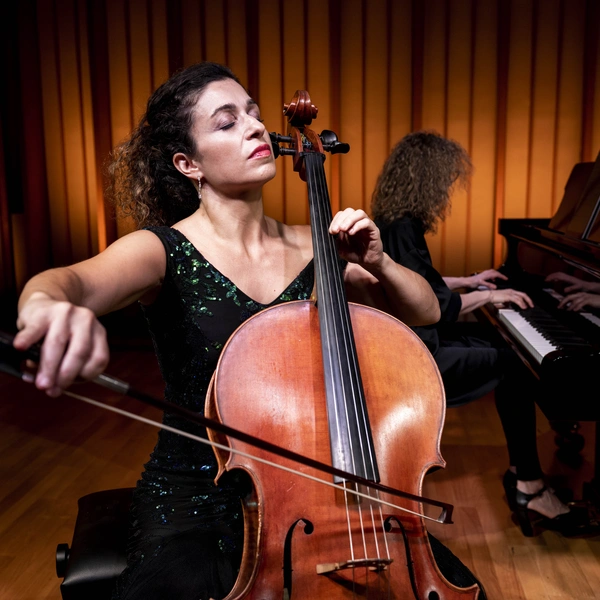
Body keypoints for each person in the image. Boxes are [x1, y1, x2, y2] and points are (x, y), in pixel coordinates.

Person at [11, 63, 462, 599]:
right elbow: (68, 283)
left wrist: (381, 262)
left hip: (320, 495)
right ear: (188, 164)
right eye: (226, 122)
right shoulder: (162, 250)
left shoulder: (317, 244)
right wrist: (46, 307)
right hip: (195, 500)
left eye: (253, 113)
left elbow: (427, 311)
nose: (254, 127)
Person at [371, 130, 598, 538]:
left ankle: (523, 473)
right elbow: (436, 309)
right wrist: (493, 296)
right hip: (418, 355)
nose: (446, 189)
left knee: (501, 345)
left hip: (408, 342)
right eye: (444, 180)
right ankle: (528, 483)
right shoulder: (404, 227)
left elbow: (420, 282)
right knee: (516, 362)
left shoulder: (394, 221)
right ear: (426, 179)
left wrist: (473, 280)